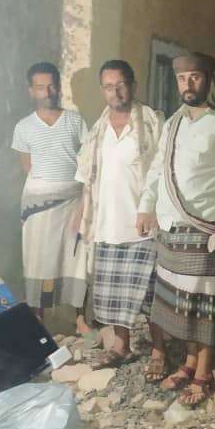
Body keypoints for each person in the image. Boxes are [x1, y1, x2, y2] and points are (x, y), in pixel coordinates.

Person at [135, 53, 215, 406]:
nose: (188, 84)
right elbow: (157, 169)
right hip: (172, 225)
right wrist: (145, 206)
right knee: (181, 302)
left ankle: (204, 372)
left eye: (195, 77)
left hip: (206, 227)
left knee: (203, 303)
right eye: (182, 78)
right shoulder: (173, 123)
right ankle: (188, 362)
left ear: (210, 79)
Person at [75, 60, 164, 368]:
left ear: (133, 85)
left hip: (143, 225)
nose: (116, 92)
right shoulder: (97, 131)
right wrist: (81, 216)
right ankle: (121, 346)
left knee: (151, 297)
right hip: (107, 224)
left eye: (121, 84)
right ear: (103, 91)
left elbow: (164, 171)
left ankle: (159, 351)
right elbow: (87, 180)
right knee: (114, 296)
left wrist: (154, 210)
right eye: (109, 86)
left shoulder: (152, 123)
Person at [12, 62, 89, 329]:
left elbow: (87, 162)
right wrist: (47, 193)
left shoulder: (76, 121)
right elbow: (28, 167)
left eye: (52, 86)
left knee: (76, 259)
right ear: (31, 90)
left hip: (74, 202)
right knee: (39, 261)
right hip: (39, 205)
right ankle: (39, 321)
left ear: (59, 87)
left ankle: (80, 319)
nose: (48, 92)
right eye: (41, 87)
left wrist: (80, 200)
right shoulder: (23, 127)